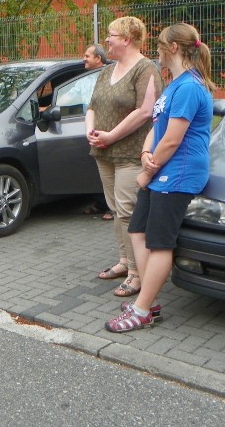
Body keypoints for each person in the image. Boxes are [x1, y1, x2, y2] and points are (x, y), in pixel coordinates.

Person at [105, 23, 214, 333]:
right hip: (162, 171)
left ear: (174, 49)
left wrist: (147, 170)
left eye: (160, 47)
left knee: (161, 243)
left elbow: (173, 139)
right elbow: (157, 127)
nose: (157, 53)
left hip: (178, 174)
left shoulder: (191, 87)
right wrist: (144, 154)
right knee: (138, 230)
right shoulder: (175, 84)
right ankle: (147, 301)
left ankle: (143, 310)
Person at [87, 17, 163, 295]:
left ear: (127, 39)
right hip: (103, 151)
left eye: (111, 35)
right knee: (116, 209)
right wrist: (92, 132)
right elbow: (92, 106)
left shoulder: (146, 70)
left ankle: (136, 272)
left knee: (129, 211)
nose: (106, 40)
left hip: (131, 153)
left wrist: (110, 136)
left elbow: (145, 111)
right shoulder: (107, 71)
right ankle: (123, 261)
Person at [78, 44, 112, 219]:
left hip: (104, 128)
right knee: (95, 170)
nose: (83, 58)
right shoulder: (84, 78)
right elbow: (70, 96)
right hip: (87, 126)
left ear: (98, 59)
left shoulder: (109, 75)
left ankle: (112, 208)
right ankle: (101, 202)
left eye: (87, 56)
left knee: (108, 169)